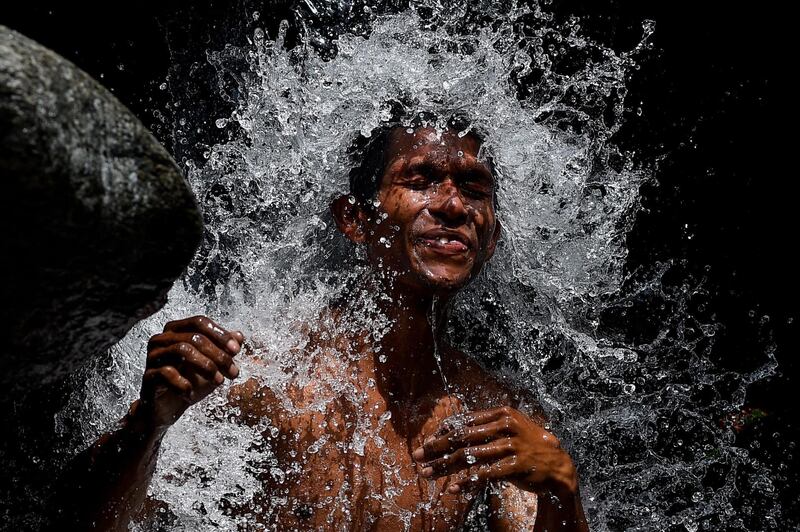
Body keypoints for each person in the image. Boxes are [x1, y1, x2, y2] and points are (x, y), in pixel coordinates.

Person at [57, 117, 589, 531]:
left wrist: (563, 491)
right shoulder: (266, 377)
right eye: (421, 179)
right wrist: (150, 423)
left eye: (474, 187)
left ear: (491, 237)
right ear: (355, 219)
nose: (452, 203)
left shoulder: (497, 417)